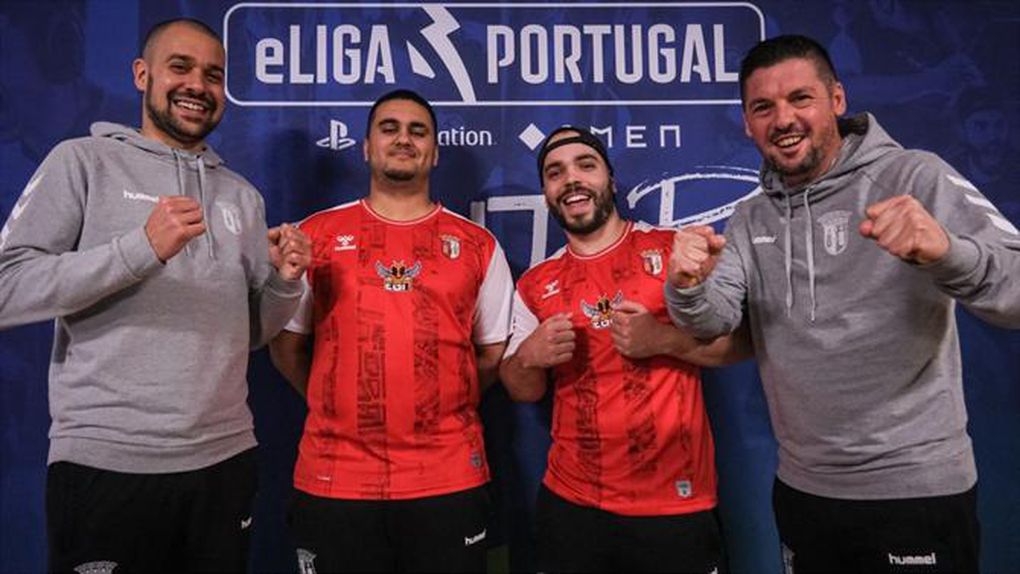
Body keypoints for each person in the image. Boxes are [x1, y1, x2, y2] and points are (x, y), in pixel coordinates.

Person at [664, 34, 1020, 573]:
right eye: (763, 107)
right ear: (746, 124)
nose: (783, 119)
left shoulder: (912, 176)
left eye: (800, 98)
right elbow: (714, 321)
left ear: (837, 99)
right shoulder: (751, 217)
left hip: (913, 491)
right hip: (803, 491)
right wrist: (688, 286)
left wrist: (948, 252)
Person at [0, 17, 310, 573]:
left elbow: (249, 335)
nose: (198, 85)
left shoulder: (242, 196)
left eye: (213, 75)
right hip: (107, 462)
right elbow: (8, 287)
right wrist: (139, 249)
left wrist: (284, 283)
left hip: (224, 460)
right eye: (180, 67)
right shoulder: (83, 161)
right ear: (142, 75)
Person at [269, 89, 513, 573]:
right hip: (336, 478)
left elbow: (490, 356)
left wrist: (436, 402)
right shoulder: (314, 236)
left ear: (434, 152)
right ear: (366, 147)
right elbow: (287, 347)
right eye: (389, 128)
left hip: (447, 479)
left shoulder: (477, 245)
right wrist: (336, 401)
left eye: (418, 131)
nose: (404, 139)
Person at [499, 126, 750, 573]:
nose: (571, 180)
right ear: (547, 194)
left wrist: (663, 340)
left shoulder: (673, 252)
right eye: (555, 173)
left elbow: (740, 344)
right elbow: (523, 389)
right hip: (572, 503)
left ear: (611, 181)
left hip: (674, 502)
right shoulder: (535, 283)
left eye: (586, 165)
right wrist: (528, 358)